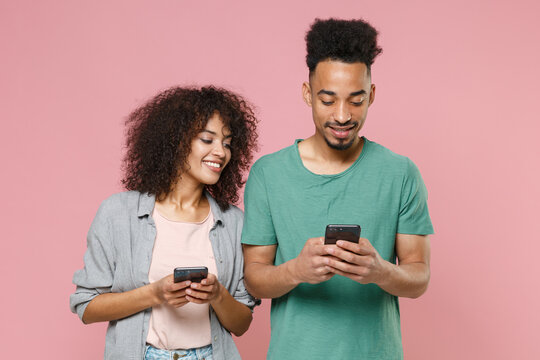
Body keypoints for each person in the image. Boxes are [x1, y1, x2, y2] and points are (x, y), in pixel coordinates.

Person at [241, 18, 434, 359]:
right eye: (328, 101)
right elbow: (254, 278)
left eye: (356, 101)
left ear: (371, 95)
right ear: (307, 94)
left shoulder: (401, 173)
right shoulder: (268, 174)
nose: (342, 116)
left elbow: (419, 277)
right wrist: (296, 270)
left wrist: (380, 270)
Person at [70, 86, 259, 360]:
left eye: (227, 143)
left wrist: (218, 295)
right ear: (175, 140)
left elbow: (241, 325)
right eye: (208, 140)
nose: (221, 152)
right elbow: (86, 307)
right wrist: (155, 294)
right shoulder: (118, 213)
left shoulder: (233, 223)